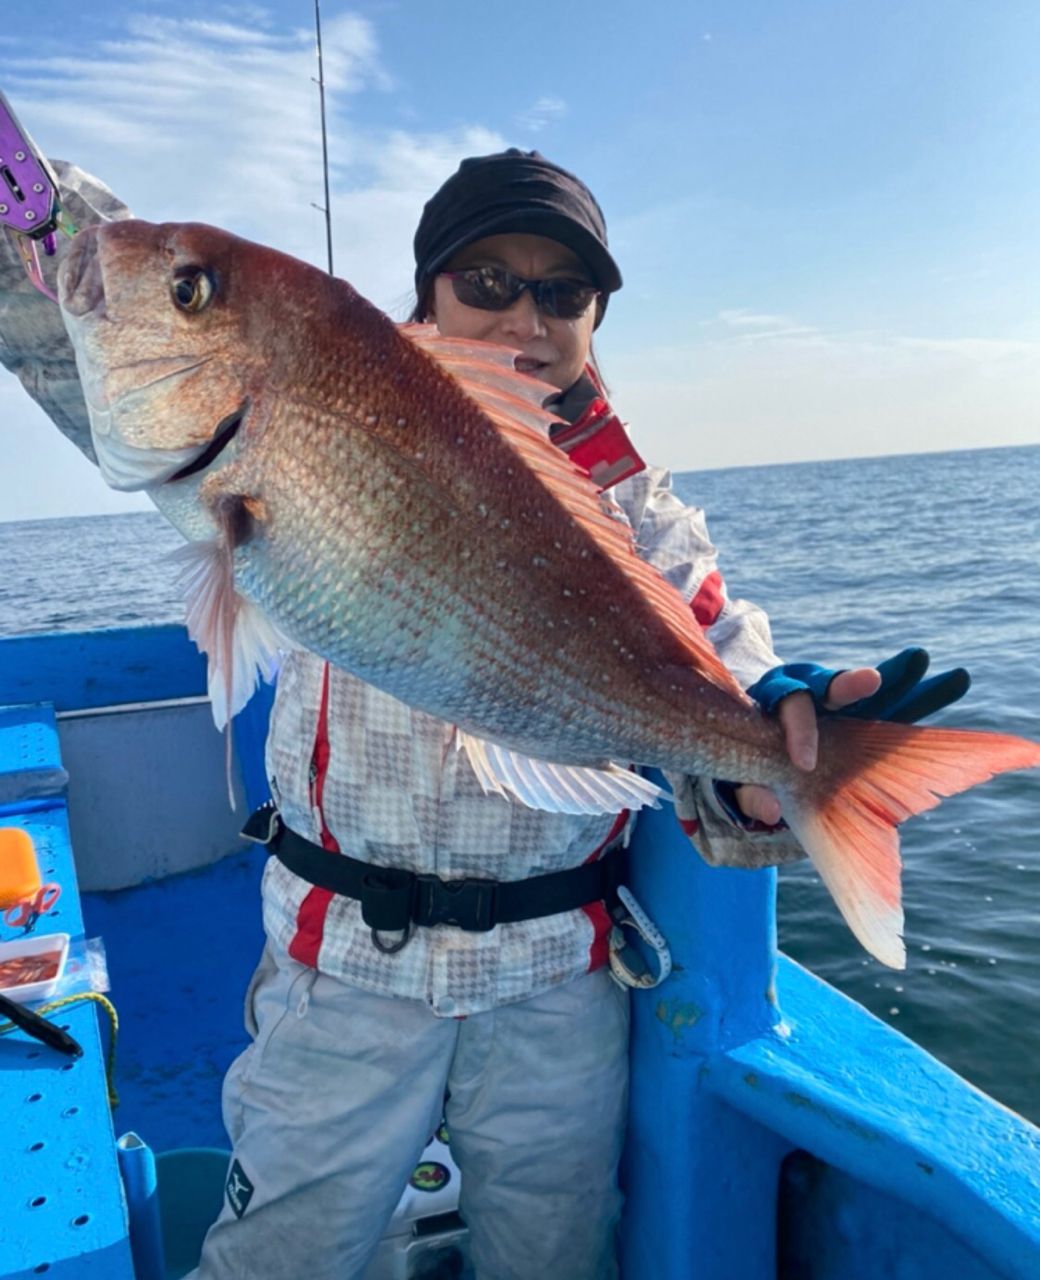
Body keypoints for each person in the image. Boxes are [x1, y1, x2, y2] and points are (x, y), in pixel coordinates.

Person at [0, 147, 966, 1280]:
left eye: (562, 291)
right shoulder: (294, 394)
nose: (527, 313)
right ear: (426, 297)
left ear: (596, 316)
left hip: (556, 983)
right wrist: (31, 190)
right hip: (343, 969)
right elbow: (80, 285)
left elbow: (719, 680)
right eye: (487, 281)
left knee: (552, 1257)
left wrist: (771, 752)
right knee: (280, 1254)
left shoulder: (638, 512)